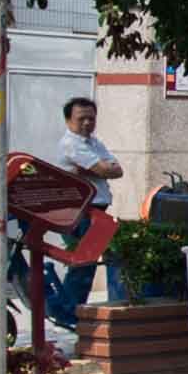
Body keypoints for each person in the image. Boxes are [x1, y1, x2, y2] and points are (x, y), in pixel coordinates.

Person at [49, 95, 126, 326]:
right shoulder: (70, 144)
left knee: (88, 264)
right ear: (68, 120)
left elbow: (117, 169)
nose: (87, 123)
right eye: (81, 119)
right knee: (83, 263)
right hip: (80, 211)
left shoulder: (95, 143)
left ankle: (73, 309)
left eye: (91, 119)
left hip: (98, 210)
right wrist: (100, 169)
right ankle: (68, 312)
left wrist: (93, 170)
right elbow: (103, 169)